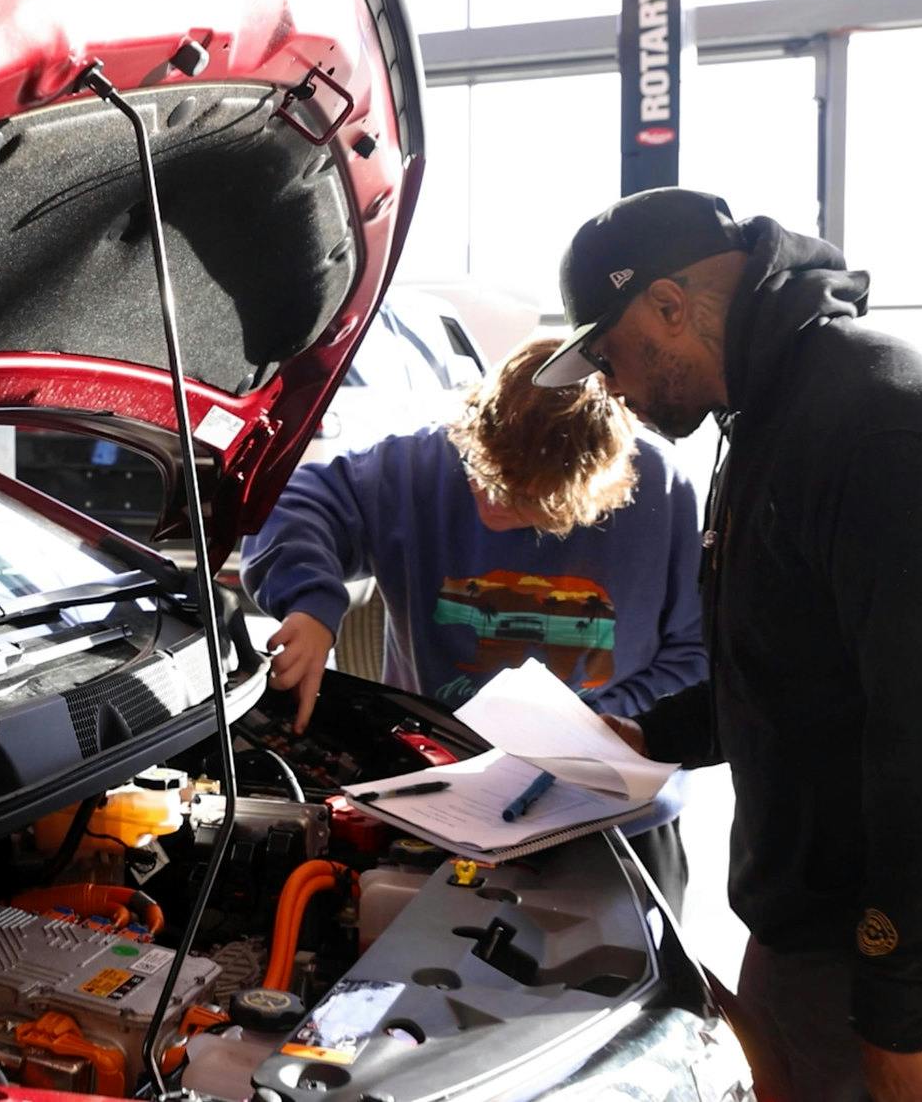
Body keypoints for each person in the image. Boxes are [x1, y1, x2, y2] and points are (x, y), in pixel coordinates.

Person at [538, 187, 922, 1102]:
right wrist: (654, 734)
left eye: (609, 353)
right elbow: (796, 661)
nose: (610, 386)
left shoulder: (887, 431)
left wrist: (902, 1025)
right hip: (832, 936)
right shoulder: (772, 420)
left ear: (669, 304)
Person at [241, 334, 708, 909]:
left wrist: (611, 723)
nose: (490, 503)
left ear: (589, 495)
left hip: (613, 812)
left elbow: (698, 657)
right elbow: (295, 504)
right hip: (442, 794)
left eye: (518, 498)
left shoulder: (663, 491)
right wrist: (311, 605)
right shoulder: (418, 465)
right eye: (484, 476)